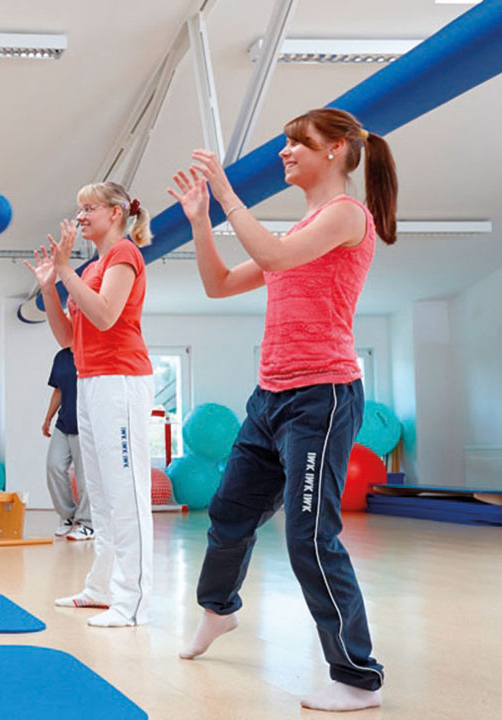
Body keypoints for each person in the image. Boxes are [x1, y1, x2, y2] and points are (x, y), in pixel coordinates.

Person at [170, 108, 394, 712]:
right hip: (270, 398)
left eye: (299, 143)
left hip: (320, 399)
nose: (286, 153)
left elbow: (270, 257)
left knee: (308, 537)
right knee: (227, 514)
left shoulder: (346, 216)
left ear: (337, 150)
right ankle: (219, 611)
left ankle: (355, 677)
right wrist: (200, 222)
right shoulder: (299, 234)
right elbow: (219, 284)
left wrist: (225, 192)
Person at [26, 182, 154, 628]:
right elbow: (68, 338)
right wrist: (49, 286)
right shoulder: (93, 266)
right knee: (98, 494)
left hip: (121, 380)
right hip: (90, 380)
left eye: (89, 208)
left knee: (126, 494)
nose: (80, 216)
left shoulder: (125, 255)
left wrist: (64, 269)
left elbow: (105, 315)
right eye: (78, 208)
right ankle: (100, 589)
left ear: (116, 212)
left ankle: (130, 602)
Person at [43, 346, 93, 541]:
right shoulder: (62, 356)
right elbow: (58, 390)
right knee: (53, 466)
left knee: (84, 479)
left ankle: (88, 524)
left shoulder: (92, 351)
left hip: (86, 426)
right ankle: (68, 517)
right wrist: (48, 417)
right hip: (63, 424)